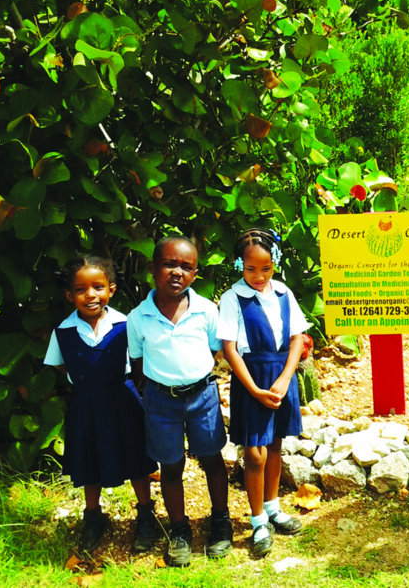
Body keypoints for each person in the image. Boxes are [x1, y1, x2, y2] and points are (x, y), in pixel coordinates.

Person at [126, 237, 230, 567]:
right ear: (153, 269)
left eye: (186, 267)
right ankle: (179, 529)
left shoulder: (206, 310)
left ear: (195, 274)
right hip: (161, 400)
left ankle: (220, 520)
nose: (177, 272)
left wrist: (194, 376)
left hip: (202, 395)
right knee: (170, 466)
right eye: (170, 264)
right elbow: (139, 362)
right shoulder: (138, 317)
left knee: (212, 459)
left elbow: (214, 349)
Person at [44, 255, 158, 554]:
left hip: (123, 399)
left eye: (98, 287)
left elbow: (138, 358)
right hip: (86, 404)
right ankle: (93, 516)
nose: (90, 295)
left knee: (135, 457)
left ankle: (146, 514)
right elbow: (60, 364)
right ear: (69, 295)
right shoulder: (64, 331)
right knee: (88, 458)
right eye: (81, 289)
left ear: (112, 289)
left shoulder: (125, 324)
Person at [218, 229, 308, 556]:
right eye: (250, 269)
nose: (259, 276)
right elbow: (229, 348)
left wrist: (285, 378)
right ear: (239, 266)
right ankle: (257, 520)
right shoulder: (232, 298)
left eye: (266, 268)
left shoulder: (283, 293)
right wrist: (254, 389)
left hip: (280, 377)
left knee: (274, 445)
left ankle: (273, 506)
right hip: (251, 379)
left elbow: (297, 338)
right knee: (254, 452)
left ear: (275, 264)